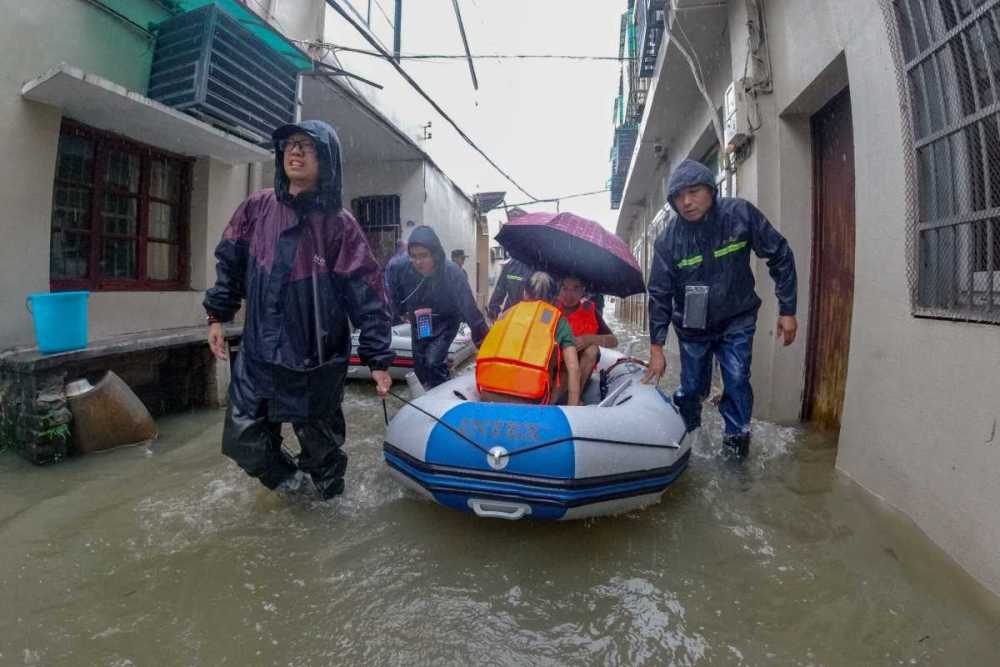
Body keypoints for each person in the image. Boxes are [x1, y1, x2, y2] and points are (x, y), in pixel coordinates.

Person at [204, 120, 394, 499]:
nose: (295, 151)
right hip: (258, 356)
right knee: (243, 440)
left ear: (326, 159)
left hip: (314, 361)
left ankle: (326, 511)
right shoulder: (257, 208)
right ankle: (293, 489)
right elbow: (231, 261)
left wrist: (378, 359)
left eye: (307, 146)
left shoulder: (339, 225)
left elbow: (367, 293)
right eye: (290, 144)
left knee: (324, 457)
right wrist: (218, 315)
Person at [641, 159, 797, 459]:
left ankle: (736, 447)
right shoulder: (668, 241)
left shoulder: (740, 215)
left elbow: (780, 254)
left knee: (737, 380)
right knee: (692, 389)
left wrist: (787, 309)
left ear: (711, 190)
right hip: (692, 327)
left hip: (737, 317)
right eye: (679, 196)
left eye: (694, 192)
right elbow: (659, 295)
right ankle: (690, 436)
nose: (687, 202)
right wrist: (656, 348)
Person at [387, 225, 489, 389]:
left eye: (424, 256)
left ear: (435, 254)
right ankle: (427, 394)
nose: (418, 262)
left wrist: (483, 342)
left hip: (446, 321)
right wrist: (400, 312)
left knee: (433, 360)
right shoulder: (403, 268)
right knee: (421, 363)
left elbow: (469, 308)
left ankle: (442, 392)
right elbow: (394, 294)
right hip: (422, 319)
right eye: (413, 256)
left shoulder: (452, 272)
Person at [477, 272, 581, 406]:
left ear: (525, 293)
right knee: (565, 368)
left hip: (489, 393)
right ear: (554, 299)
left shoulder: (508, 313)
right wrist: (573, 409)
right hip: (530, 399)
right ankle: (551, 406)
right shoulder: (558, 321)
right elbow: (574, 368)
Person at [557, 275, 618, 384]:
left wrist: (588, 339)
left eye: (575, 288)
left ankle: (576, 392)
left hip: (578, 368)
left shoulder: (591, 311)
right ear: (559, 289)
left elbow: (614, 341)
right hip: (554, 365)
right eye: (564, 288)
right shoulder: (549, 308)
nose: (569, 295)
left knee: (592, 350)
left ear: (583, 290)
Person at [486, 256, 534, 321]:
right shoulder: (510, 265)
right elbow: (499, 291)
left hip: (531, 316)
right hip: (511, 315)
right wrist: (493, 312)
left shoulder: (541, 266)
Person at [384, 239, 409, 325]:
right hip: (395, 301)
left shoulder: (392, 260)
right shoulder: (400, 261)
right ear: (403, 247)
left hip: (391, 300)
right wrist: (401, 313)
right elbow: (396, 288)